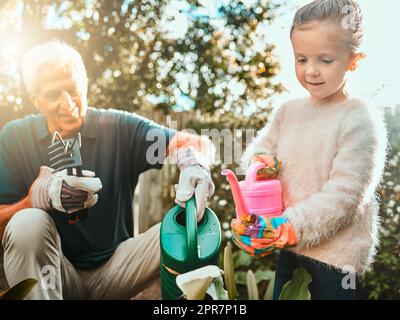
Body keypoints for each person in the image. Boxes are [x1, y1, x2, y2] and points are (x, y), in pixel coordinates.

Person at [0, 41, 216, 299]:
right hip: (56, 272)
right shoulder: (15, 139)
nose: (67, 103)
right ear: (36, 100)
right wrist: (34, 200)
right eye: (53, 94)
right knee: (26, 222)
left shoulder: (116, 128)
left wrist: (194, 163)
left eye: (72, 89)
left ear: (85, 84)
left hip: (119, 269)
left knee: (189, 227)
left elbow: (195, 142)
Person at [232, 0, 388, 300]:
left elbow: (345, 196)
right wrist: (261, 161)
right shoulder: (288, 111)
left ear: (354, 60)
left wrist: (290, 225)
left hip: (335, 261)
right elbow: (261, 149)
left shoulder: (360, 118)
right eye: (301, 59)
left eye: (325, 60)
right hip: (290, 249)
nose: (311, 70)